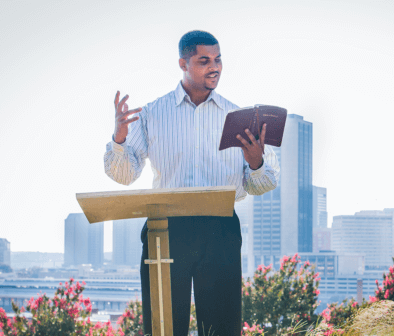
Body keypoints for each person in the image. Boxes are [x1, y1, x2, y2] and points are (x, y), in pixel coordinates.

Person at [103, 30, 279, 336]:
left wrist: (256, 162)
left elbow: (261, 184)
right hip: (166, 231)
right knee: (163, 328)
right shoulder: (152, 114)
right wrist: (119, 139)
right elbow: (125, 175)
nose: (215, 67)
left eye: (218, 59)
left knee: (222, 328)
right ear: (183, 63)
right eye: (204, 60)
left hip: (220, 229)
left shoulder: (237, 116)